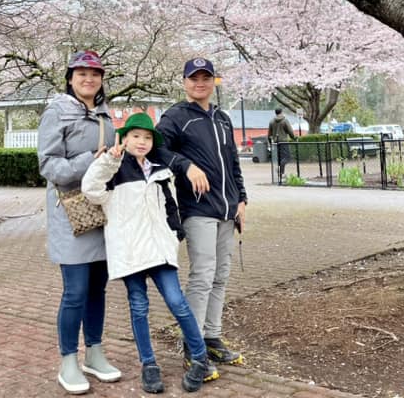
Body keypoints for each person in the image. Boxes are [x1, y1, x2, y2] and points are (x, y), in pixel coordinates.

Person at [81, 112, 210, 394]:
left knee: (177, 302)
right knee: (139, 306)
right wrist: (109, 160)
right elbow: (90, 189)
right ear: (124, 139)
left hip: (159, 249)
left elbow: (170, 207)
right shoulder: (113, 170)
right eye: (136, 136)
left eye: (147, 137)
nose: (142, 142)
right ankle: (148, 364)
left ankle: (200, 358)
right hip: (131, 252)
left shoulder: (159, 170)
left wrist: (175, 234)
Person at [156, 57, 248, 380]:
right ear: (184, 82)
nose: (200, 83)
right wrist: (185, 166)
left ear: (213, 82)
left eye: (205, 77)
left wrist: (242, 199)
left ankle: (211, 336)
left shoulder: (223, 119)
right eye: (193, 78)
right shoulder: (176, 117)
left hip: (227, 210)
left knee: (220, 275)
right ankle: (193, 347)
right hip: (198, 210)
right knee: (202, 276)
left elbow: (233, 163)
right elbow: (156, 149)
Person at [37, 49, 122, 394]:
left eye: (95, 74)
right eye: (82, 73)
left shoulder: (105, 116)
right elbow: (48, 166)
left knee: (98, 289)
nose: (89, 79)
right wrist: (90, 160)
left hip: (101, 213)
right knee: (75, 292)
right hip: (70, 215)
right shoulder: (56, 112)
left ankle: (95, 353)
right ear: (70, 78)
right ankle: (68, 360)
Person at [268, 107, 297, 181]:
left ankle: (281, 172)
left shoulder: (271, 121)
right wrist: (293, 137)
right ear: (281, 112)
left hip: (275, 142)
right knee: (286, 157)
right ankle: (281, 170)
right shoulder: (285, 120)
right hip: (283, 142)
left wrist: (270, 142)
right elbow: (290, 131)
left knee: (279, 158)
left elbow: (269, 134)